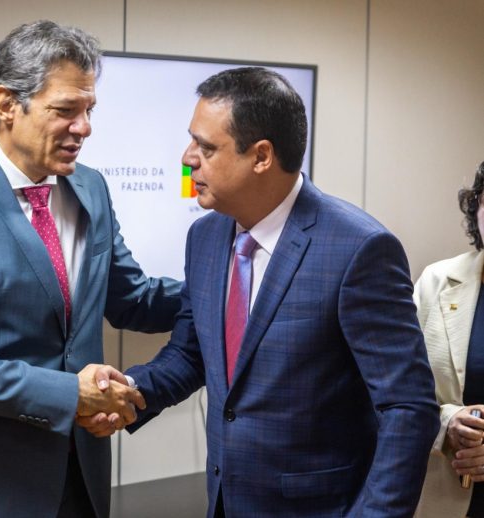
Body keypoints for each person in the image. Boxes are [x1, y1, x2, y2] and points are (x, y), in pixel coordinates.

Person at [81, 67, 439, 517]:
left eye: (206, 147)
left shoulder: (359, 249)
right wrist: (130, 390)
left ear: (262, 156)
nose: (188, 158)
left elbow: (407, 407)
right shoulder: (205, 237)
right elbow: (190, 354)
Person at [0, 20, 181, 518]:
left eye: (89, 110)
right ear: (6, 104)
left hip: (77, 476)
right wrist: (68, 395)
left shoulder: (90, 188)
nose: (84, 127)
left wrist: (227, 286)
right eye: (66, 110)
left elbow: (132, 299)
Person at [414, 162, 484, 518]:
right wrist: (447, 423)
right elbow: (396, 389)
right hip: (443, 495)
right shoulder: (436, 282)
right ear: (477, 208)